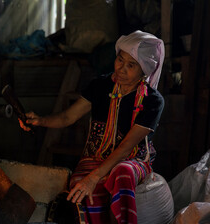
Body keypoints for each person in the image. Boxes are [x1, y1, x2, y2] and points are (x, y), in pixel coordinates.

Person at [20, 30, 165, 224]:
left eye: (131, 65)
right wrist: (40, 120)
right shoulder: (101, 86)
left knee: (122, 173)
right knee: (82, 190)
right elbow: (67, 117)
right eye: (120, 60)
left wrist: (94, 177)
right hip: (96, 155)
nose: (121, 69)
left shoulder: (152, 101)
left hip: (133, 159)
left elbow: (127, 147)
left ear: (144, 71)